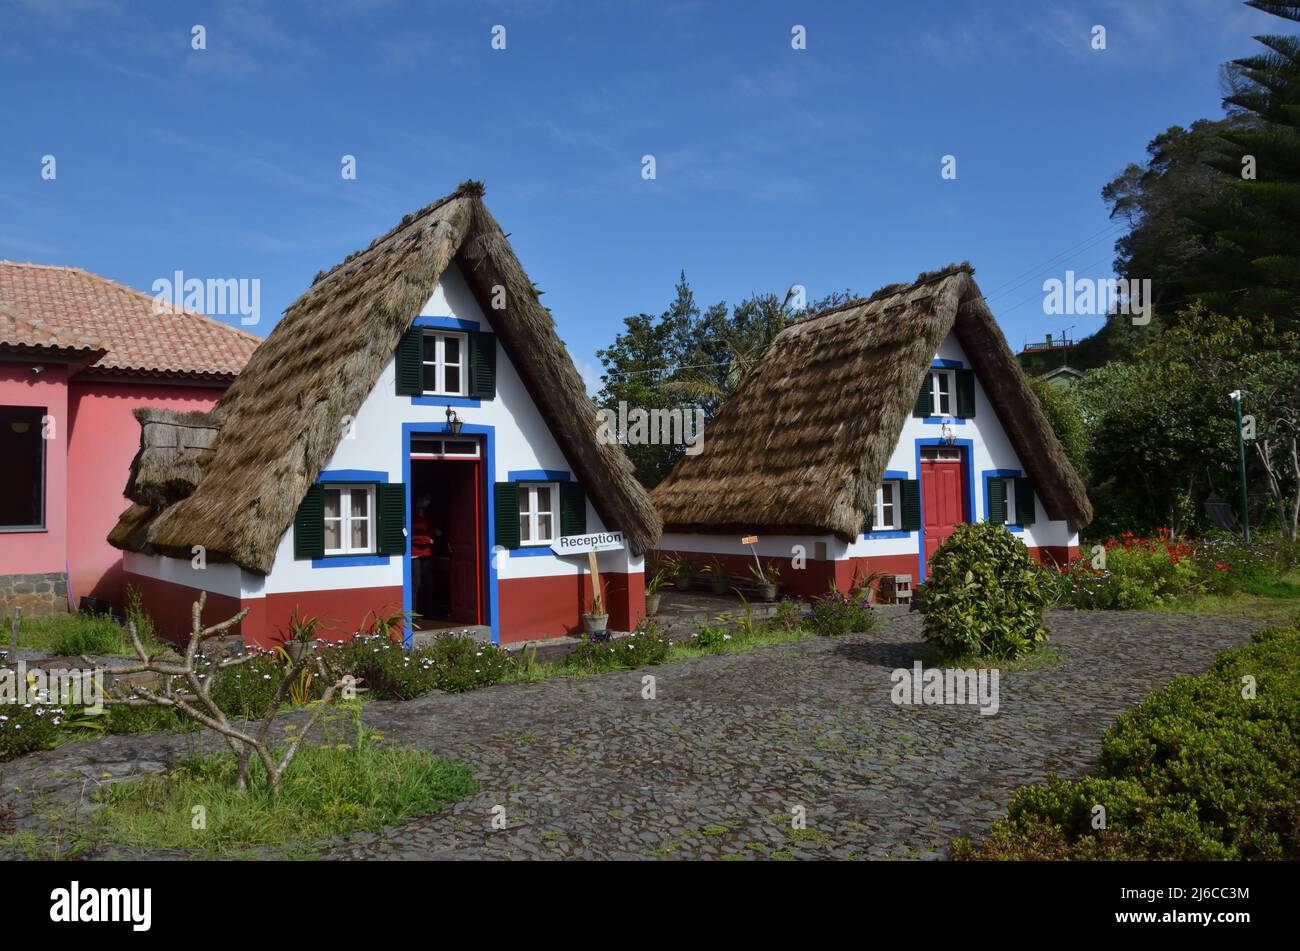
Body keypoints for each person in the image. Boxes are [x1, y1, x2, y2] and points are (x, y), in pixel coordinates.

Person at [411, 495, 434, 618]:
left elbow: (429, 531)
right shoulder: (413, 519)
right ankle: (413, 611)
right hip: (414, 554)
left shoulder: (427, 518)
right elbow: (412, 536)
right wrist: (426, 540)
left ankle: (428, 611)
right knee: (416, 583)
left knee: (427, 583)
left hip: (427, 553)